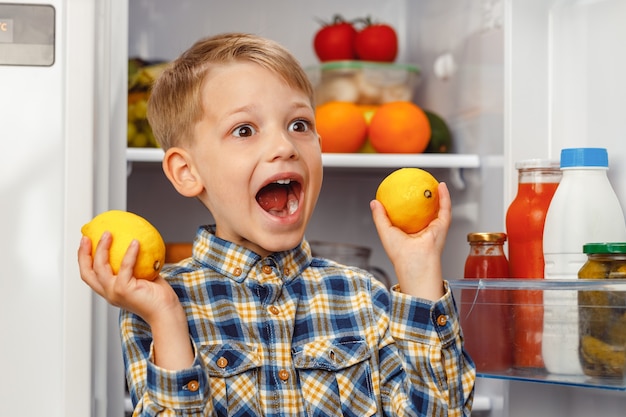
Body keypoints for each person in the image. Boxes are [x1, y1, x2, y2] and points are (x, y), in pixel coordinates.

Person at [78, 32, 475, 416]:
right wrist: (166, 318)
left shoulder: (365, 297)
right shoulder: (157, 309)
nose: (284, 146)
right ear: (186, 171)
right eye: (245, 130)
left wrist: (420, 272)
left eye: (299, 125)